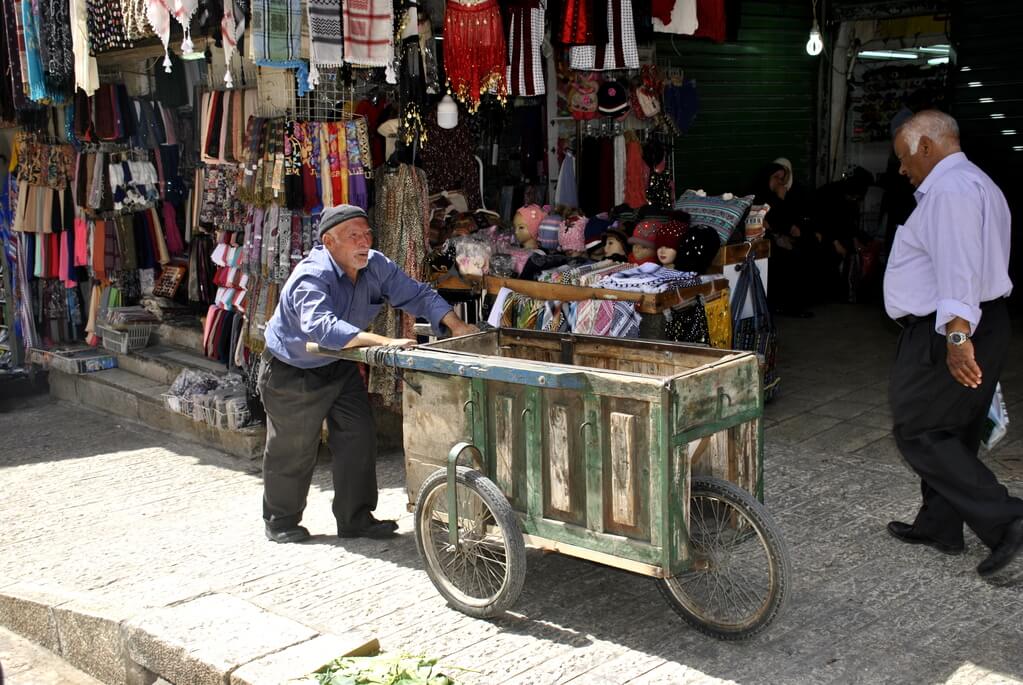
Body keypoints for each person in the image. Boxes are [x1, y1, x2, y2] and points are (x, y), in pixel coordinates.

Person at [259, 204, 478, 543]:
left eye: (366, 234)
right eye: (353, 236)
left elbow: (417, 294)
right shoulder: (312, 275)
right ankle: (281, 520)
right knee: (294, 448)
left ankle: (355, 518)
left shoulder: (375, 264)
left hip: (339, 364)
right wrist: (384, 342)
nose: (363, 242)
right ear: (329, 242)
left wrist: (457, 325)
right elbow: (321, 328)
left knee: (358, 437)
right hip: (293, 369)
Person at [883, 110, 1023, 576]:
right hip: (981, 320)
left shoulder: (950, 190)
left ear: (926, 146)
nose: (902, 169)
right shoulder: (976, 182)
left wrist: (957, 335)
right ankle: (940, 524)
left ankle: (1009, 522)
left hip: (953, 326)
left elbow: (959, 267)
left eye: (904, 157)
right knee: (954, 428)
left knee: (918, 429)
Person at [751, 162, 813, 317]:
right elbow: (763, 221)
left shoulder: (777, 196)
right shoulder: (756, 195)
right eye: (776, 177)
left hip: (776, 238)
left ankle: (793, 305)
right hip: (759, 243)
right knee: (785, 258)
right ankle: (783, 305)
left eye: (782, 178)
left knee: (803, 250)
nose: (780, 181)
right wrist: (779, 200)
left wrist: (782, 201)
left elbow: (782, 219)